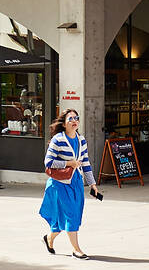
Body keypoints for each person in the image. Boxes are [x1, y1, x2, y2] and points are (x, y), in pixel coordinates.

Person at [39, 108, 99, 260]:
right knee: (71, 215)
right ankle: (76, 250)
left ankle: (49, 238)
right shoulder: (58, 139)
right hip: (60, 183)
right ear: (64, 124)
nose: (74, 121)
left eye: (76, 118)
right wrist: (69, 163)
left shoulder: (81, 140)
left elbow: (85, 163)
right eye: (70, 119)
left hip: (76, 182)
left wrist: (92, 184)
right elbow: (48, 162)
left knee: (69, 217)